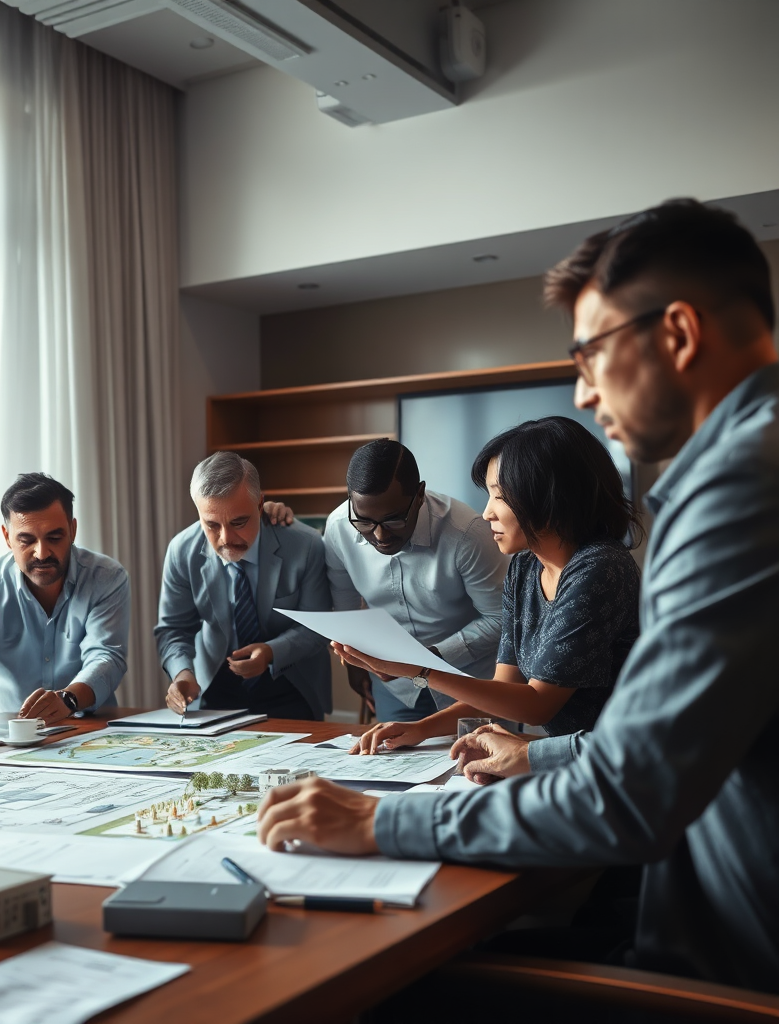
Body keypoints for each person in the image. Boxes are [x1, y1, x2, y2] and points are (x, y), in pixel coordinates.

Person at [257, 199, 779, 993]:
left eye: (590, 355)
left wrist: (379, 820)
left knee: (383, 988)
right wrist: (523, 751)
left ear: (677, 333)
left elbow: (631, 789)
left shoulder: (741, 487)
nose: (583, 394)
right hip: (719, 920)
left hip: (735, 963)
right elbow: (649, 746)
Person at [343, 416, 642, 752]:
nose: (487, 513)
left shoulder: (600, 568)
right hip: (572, 755)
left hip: (621, 761)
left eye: (500, 496)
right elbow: (502, 688)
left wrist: (420, 669)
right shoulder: (526, 567)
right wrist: (421, 729)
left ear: (549, 495)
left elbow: (536, 704)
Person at [0, 473, 129, 734]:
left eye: (54, 538)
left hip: (86, 728)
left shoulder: (106, 577)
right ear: (7, 537)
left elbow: (107, 657)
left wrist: (67, 699)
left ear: (72, 530)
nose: (42, 553)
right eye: (26, 540)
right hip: (2, 733)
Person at [325, 439, 507, 724]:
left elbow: (501, 618)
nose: (380, 535)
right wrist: (355, 663)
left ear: (419, 494)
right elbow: (347, 613)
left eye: (394, 520)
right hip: (394, 690)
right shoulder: (338, 528)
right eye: (364, 522)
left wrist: (425, 660)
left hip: (470, 682)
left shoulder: (467, 533)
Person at [155, 452, 332, 720]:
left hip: (292, 686)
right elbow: (173, 629)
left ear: (260, 505)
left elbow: (318, 628)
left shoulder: (305, 545)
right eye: (211, 524)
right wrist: (182, 672)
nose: (225, 538)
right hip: (214, 686)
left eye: (239, 522)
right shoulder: (182, 551)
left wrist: (272, 652)